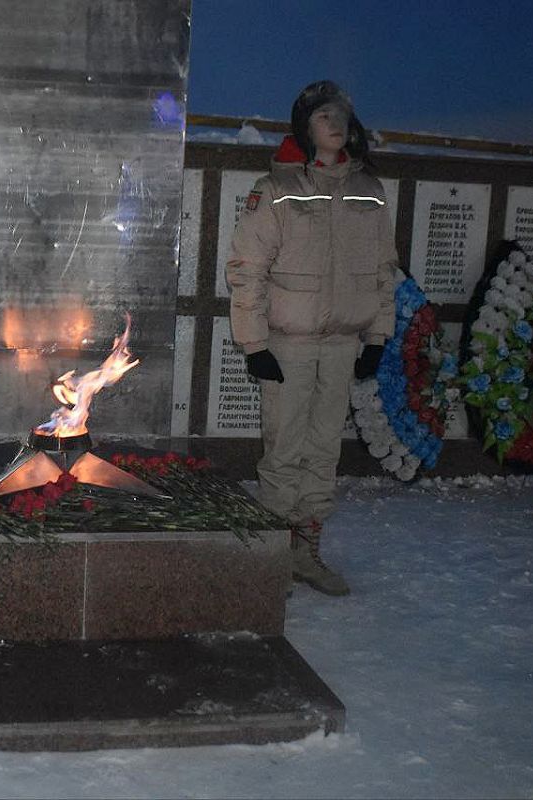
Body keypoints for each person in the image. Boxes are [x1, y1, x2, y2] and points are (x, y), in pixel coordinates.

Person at [227, 80, 398, 596]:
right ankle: (271, 561)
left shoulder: (370, 190)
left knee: (324, 451)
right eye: (323, 116)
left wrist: (378, 338)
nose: (334, 123)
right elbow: (247, 269)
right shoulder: (277, 189)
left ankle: (307, 553)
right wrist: (255, 346)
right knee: (283, 450)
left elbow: (383, 270)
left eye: (341, 114)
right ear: (304, 128)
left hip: (342, 344)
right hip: (290, 345)